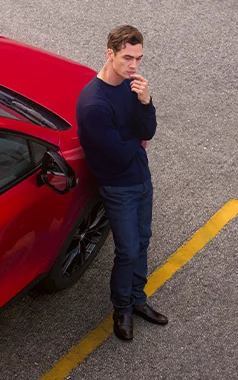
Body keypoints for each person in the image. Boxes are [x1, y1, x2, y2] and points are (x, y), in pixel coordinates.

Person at [76, 24, 169, 341]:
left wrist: (146, 101)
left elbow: (149, 130)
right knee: (128, 250)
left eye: (138, 58)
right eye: (128, 58)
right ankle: (122, 309)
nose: (134, 66)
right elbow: (116, 156)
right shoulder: (93, 104)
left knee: (143, 240)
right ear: (110, 54)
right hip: (119, 187)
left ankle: (138, 299)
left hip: (141, 178)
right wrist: (138, 141)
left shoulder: (133, 88)